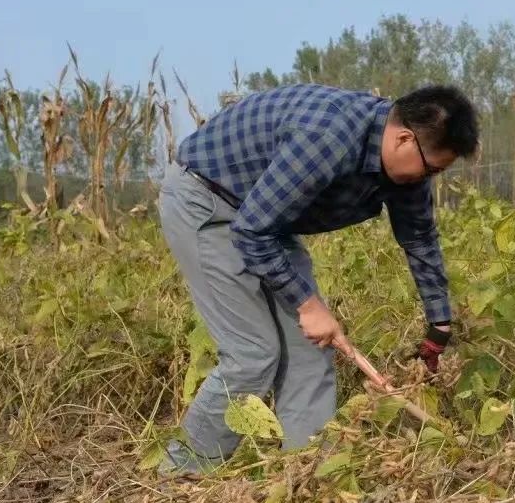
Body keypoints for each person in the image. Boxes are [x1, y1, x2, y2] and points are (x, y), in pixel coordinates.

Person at [157, 83, 479, 475]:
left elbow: (420, 238)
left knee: (312, 350)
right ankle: (181, 475)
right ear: (404, 139)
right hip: (206, 202)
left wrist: (439, 325)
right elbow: (250, 232)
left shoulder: (406, 170)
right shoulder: (328, 137)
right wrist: (308, 306)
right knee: (252, 354)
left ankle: (307, 475)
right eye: (431, 169)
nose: (428, 179)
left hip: (265, 217)